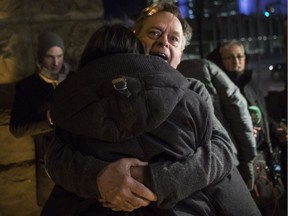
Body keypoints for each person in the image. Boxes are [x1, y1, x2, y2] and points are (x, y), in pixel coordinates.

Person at [43, 3, 261, 215]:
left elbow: (221, 151)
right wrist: (98, 178)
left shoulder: (193, 91)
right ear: (134, 39)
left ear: (181, 52)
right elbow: (56, 156)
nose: (163, 42)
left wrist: (149, 180)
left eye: (173, 39)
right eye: (154, 33)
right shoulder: (93, 92)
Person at [207, 39, 287, 214]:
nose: (236, 61)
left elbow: (264, 117)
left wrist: (275, 130)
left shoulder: (252, 84)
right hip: (237, 164)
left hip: (262, 161)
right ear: (221, 60)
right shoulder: (217, 89)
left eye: (239, 56)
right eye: (230, 58)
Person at [9, 31, 72, 206]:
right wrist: (48, 119)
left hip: (77, 161)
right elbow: (17, 128)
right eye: (50, 57)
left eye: (59, 56)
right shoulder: (28, 87)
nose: (55, 63)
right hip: (49, 167)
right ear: (40, 57)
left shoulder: (73, 79)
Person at [177, 58, 257, 191]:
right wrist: (248, 160)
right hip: (225, 157)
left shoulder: (151, 79)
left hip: (189, 169)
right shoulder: (203, 66)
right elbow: (238, 109)